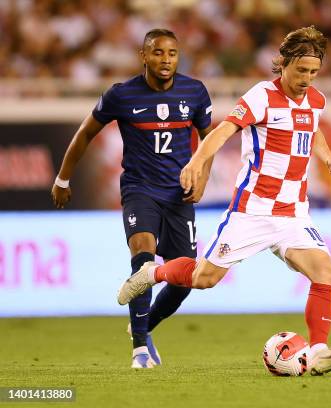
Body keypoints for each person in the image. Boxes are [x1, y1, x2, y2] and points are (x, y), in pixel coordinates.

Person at [117, 26, 331, 375]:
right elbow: (223, 130)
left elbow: (313, 128)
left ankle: (319, 350)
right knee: (204, 278)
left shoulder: (316, 100)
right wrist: (196, 161)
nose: (307, 79)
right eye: (301, 71)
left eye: (313, 72)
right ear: (284, 64)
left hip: (293, 214)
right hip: (253, 211)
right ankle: (151, 272)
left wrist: (328, 157)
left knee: (327, 272)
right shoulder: (262, 95)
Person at [51, 29, 214, 368]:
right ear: (144, 56)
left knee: (184, 280)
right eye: (157, 53)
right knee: (143, 254)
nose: (165, 59)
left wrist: (201, 178)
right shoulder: (121, 95)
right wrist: (63, 178)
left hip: (179, 194)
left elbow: (209, 138)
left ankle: (143, 326)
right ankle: (140, 349)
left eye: (171, 53)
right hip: (140, 189)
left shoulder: (194, 91)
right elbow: (85, 134)